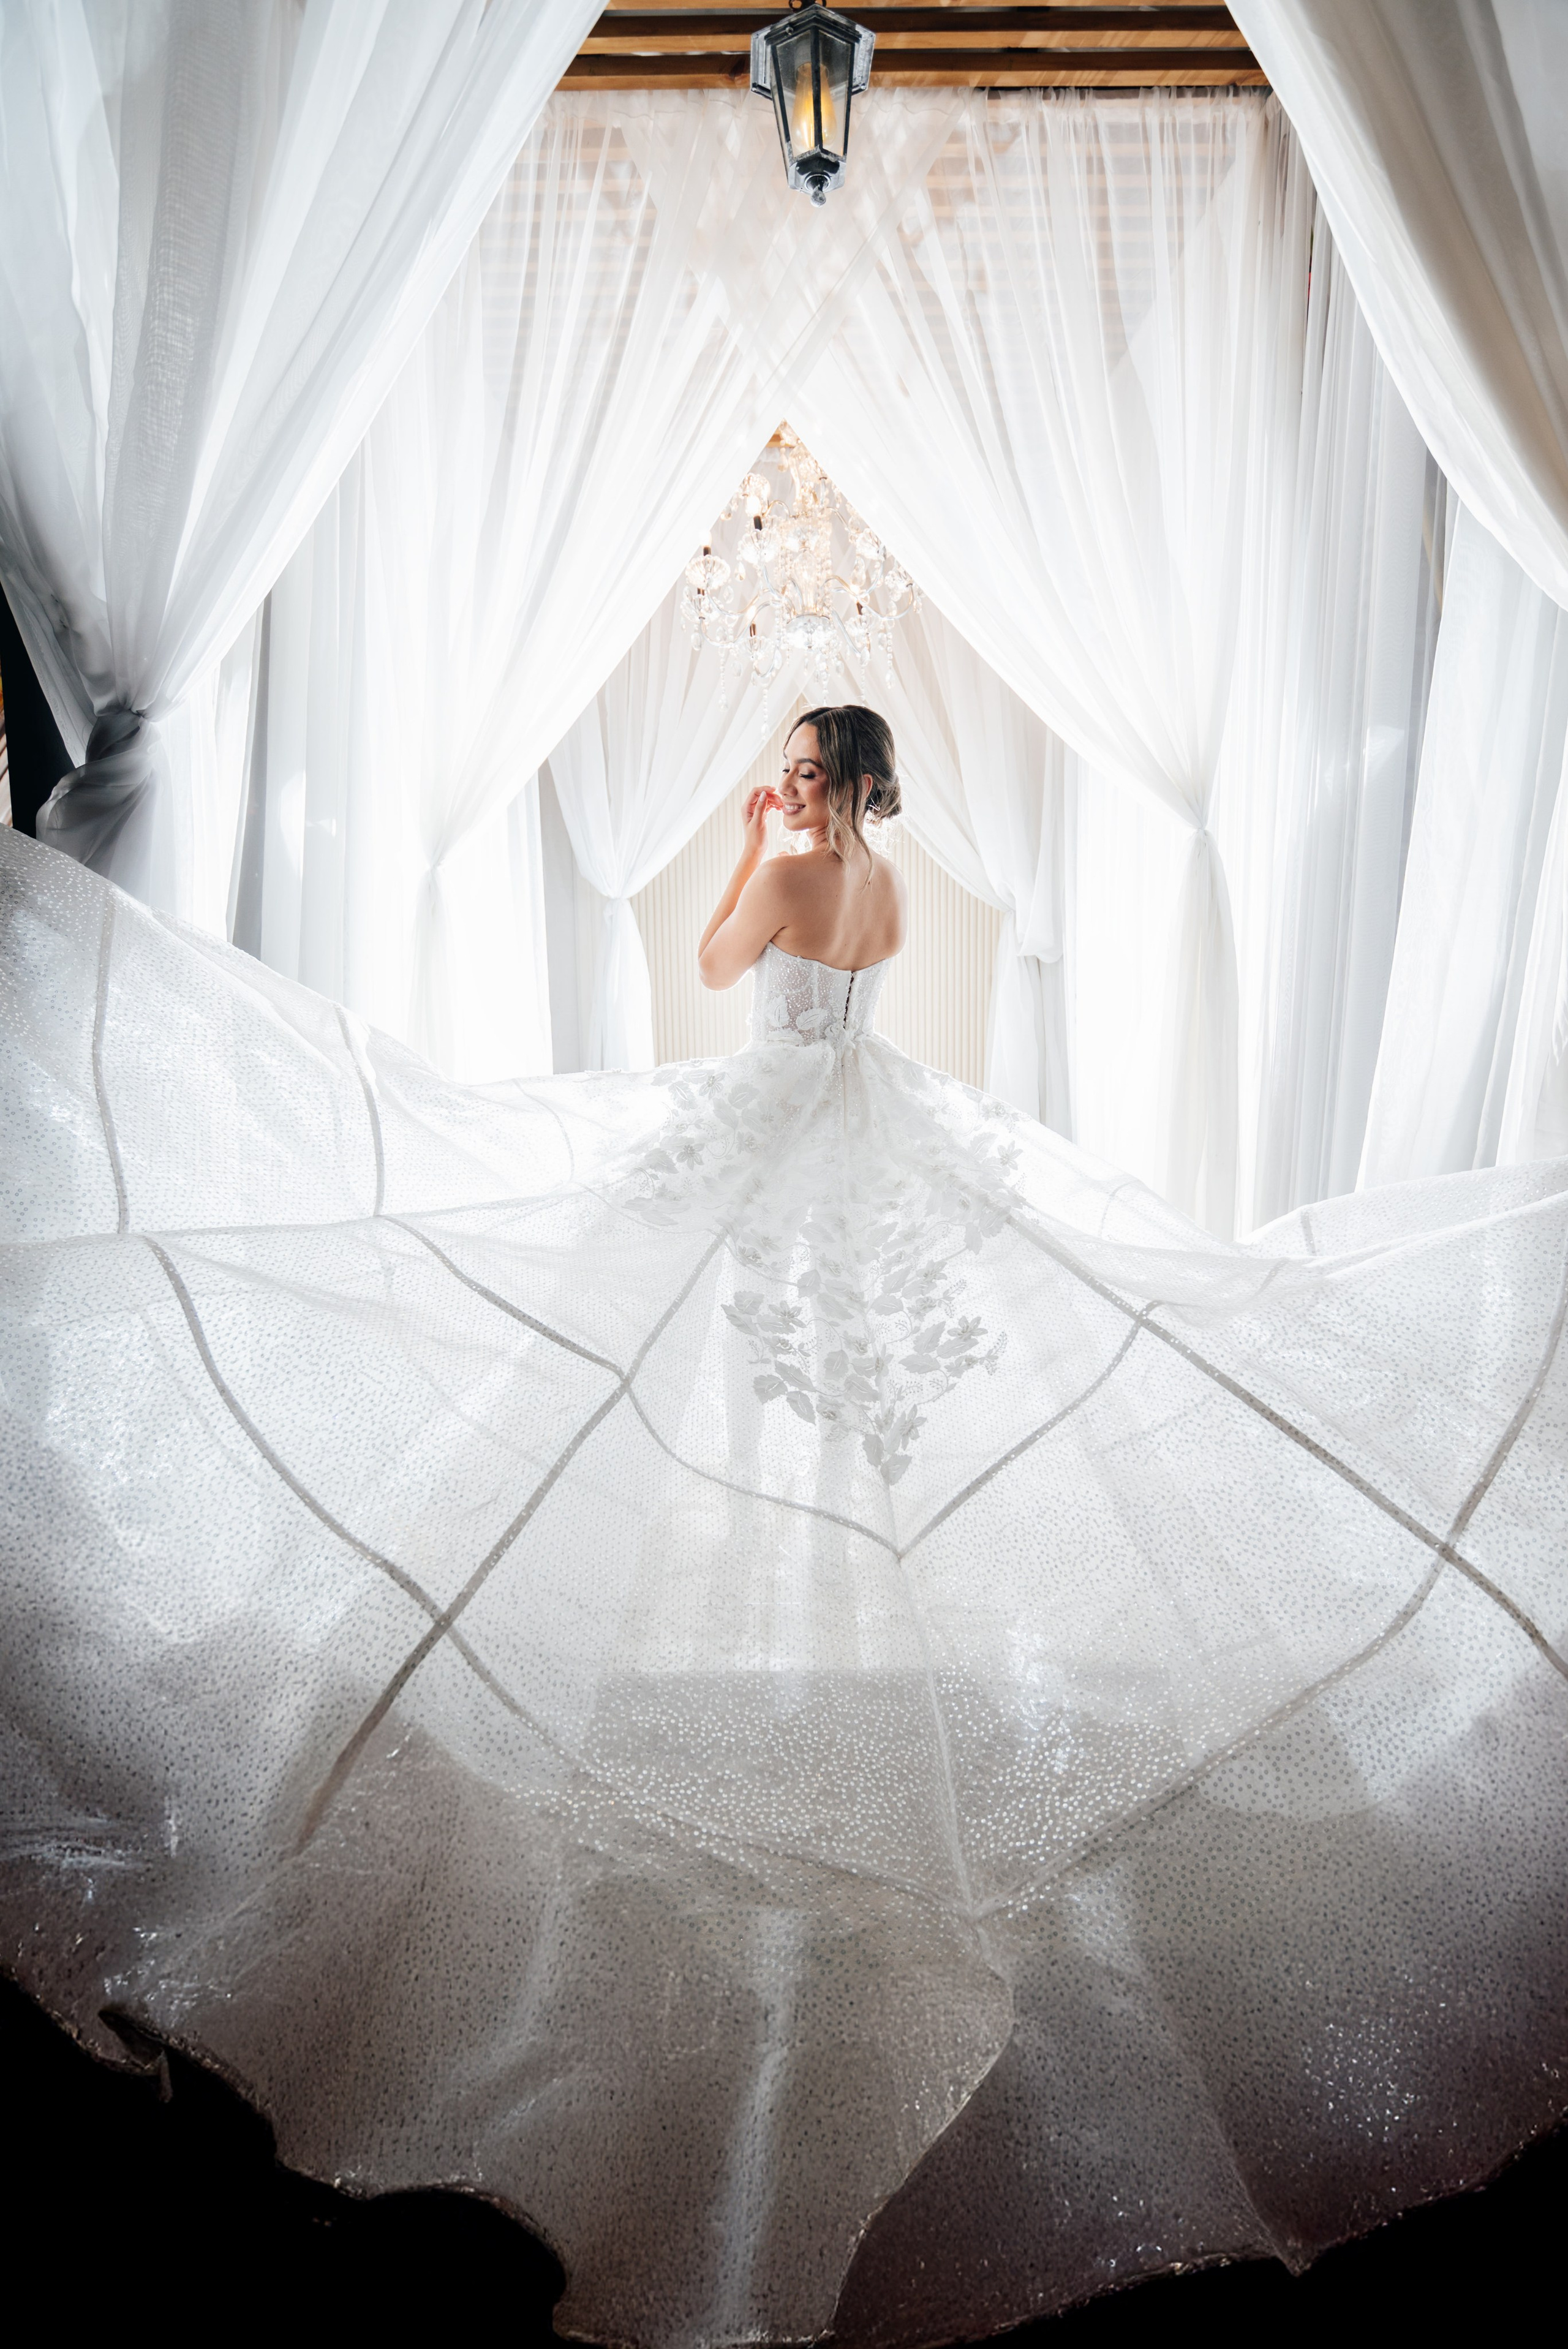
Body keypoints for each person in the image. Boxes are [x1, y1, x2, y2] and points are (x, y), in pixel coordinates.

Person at [0, 709, 1564, 2349]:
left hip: (776, 1138)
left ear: (838, 778)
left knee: (658, 1393)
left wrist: (753, 845)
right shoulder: (885, 880)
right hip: (863, 1123)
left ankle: (737, 1633)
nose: (793, 778)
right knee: (789, 1413)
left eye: (808, 761)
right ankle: (800, 1617)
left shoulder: (809, 865)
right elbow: (823, 981)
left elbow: (725, 947)